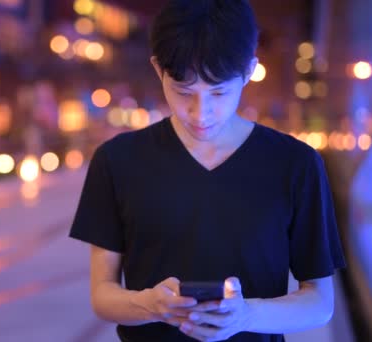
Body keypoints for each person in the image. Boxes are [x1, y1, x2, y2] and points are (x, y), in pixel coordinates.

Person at [69, 0, 346, 341]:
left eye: (219, 92)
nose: (201, 114)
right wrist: (150, 305)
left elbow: (320, 302)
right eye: (184, 91)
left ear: (249, 70)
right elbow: (102, 296)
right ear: (159, 70)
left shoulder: (296, 164)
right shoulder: (116, 161)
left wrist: (246, 316)